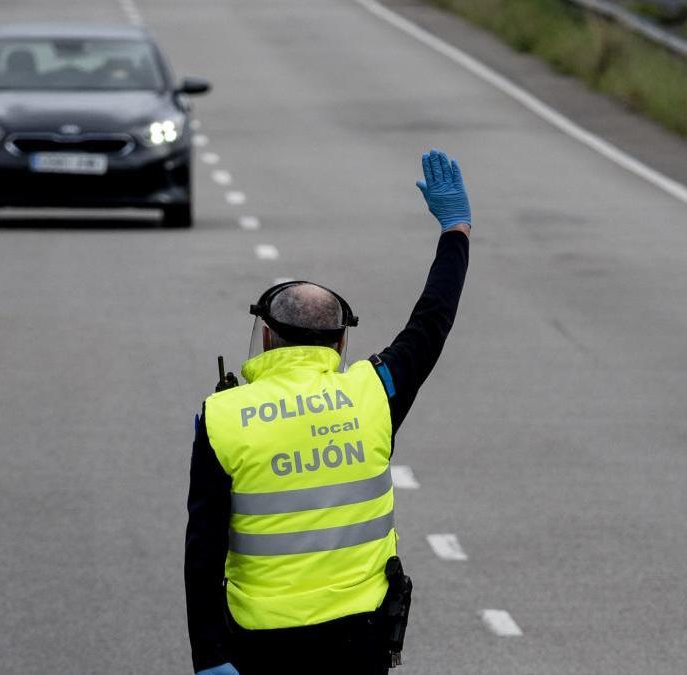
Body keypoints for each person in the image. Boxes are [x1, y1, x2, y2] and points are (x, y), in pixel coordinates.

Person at [185, 150, 472, 674]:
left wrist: (208, 656)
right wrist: (455, 230)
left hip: (259, 644)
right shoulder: (373, 393)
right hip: (359, 641)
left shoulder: (221, 417)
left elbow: (202, 550)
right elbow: (433, 318)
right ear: (341, 341)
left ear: (267, 337)